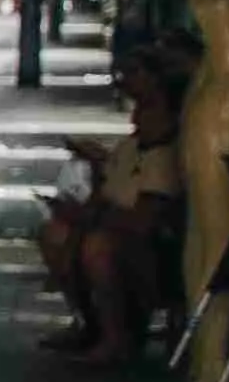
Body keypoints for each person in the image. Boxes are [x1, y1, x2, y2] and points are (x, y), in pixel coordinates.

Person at [38, 51, 187, 363]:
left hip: (152, 253)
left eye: (146, 108)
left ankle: (117, 337)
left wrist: (92, 218)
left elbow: (145, 221)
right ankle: (90, 323)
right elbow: (105, 192)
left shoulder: (167, 157)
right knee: (56, 234)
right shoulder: (133, 147)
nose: (136, 118)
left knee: (99, 247)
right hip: (112, 230)